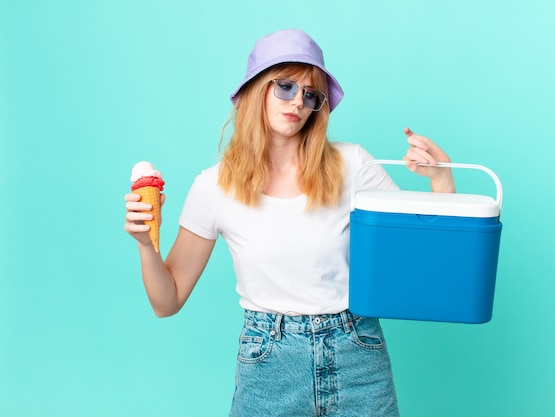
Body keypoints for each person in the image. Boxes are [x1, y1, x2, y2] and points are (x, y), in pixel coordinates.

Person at [124, 29, 455, 417]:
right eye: (285, 87)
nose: (298, 101)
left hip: (357, 353)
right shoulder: (213, 187)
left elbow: (426, 251)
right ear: (257, 90)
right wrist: (146, 246)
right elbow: (168, 302)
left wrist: (441, 178)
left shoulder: (353, 165)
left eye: (310, 94)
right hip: (269, 363)